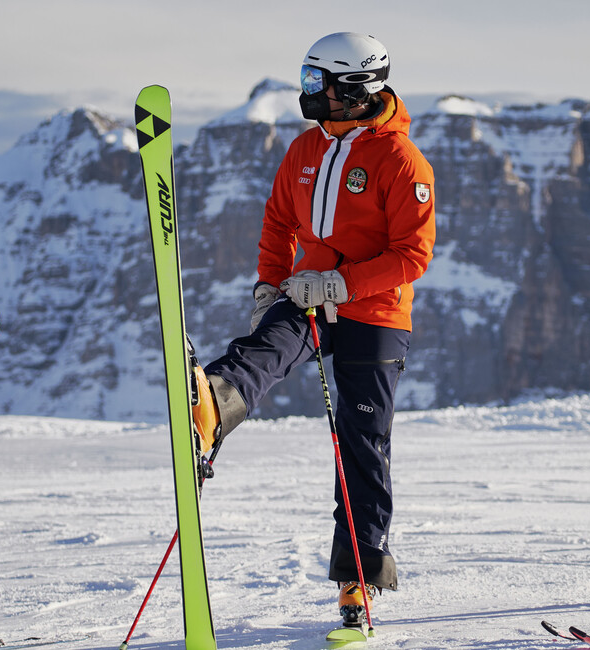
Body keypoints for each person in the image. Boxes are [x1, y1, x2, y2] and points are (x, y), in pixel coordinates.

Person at [187, 32, 436, 627]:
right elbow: (278, 223)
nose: (305, 92)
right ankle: (213, 405)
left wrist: (341, 284)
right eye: (305, 78)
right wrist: (269, 286)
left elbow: (413, 254)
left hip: (374, 313)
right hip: (307, 295)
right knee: (266, 344)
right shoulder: (305, 148)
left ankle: (358, 578)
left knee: (362, 446)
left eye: (314, 81)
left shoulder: (402, 162)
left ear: (352, 90)